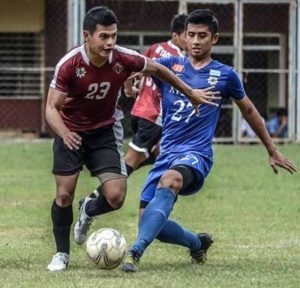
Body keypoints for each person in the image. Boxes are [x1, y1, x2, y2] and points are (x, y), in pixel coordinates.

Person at [121, 9, 297, 273]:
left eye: (202, 35)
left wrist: (272, 150)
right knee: (150, 223)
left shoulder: (225, 75)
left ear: (214, 38)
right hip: (167, 152)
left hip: (196, 154)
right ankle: (197, 243)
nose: (195, 41)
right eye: (191, 35)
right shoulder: (170, 66)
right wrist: (127, 83)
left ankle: (135, 252)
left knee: (171, 180)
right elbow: (140, 69)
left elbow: (249, 111)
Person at [45, 6, 219, 271]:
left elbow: (159, 70)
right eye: (104, 36)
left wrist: (189, 91)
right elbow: (51, 108)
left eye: (113, 36)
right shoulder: (70, 64)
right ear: (87, 36)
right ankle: (62, 255)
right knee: (64, 195)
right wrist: (66, 133)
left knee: (115, 197)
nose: (110, 42)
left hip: (104, 130)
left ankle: (89, 210)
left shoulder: (123, 57)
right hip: (70, 131)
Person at [84, 14, 188, 202]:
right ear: (176, 36)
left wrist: (129, 89)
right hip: (154, 116)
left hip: (139, 111)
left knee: (161, 158)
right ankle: (95, 198)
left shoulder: (155, 48)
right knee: (132, 160)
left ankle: (157, 206)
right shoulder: (179, 59)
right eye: (188, 35)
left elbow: (131, 72)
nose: (192, 40)